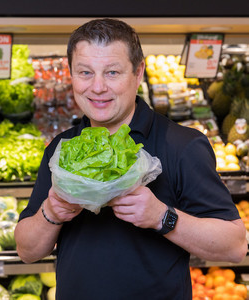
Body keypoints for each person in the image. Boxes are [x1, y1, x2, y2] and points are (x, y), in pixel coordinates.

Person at [14, 18, 247, 299]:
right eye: (85, 72)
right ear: (71, 75)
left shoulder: (183, 145)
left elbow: (234, 245)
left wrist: (162, 217)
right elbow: (27, 251)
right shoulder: (62, 150)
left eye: (112, 72)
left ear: (138, 73)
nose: (97, 87)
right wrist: (51, 212)